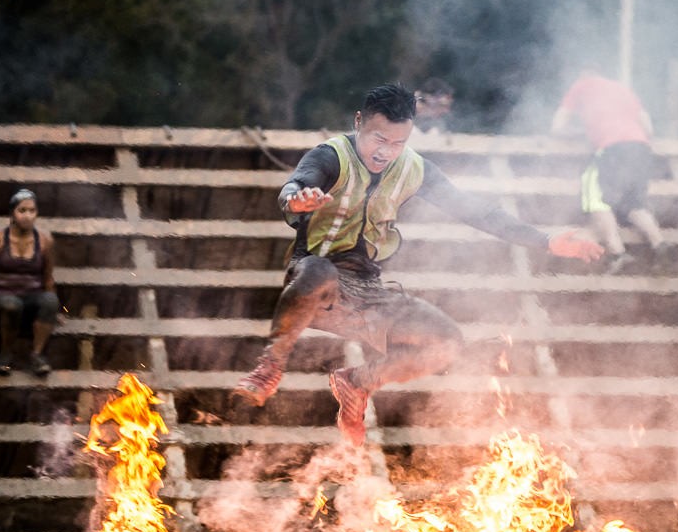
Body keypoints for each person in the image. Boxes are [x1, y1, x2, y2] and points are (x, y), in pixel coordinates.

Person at [232, 84, 603, 445]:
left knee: (446, 342)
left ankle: (357, 382)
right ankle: (270, 366)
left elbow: (477, 211)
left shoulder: (414, 168)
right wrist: (296, 200)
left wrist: (548, 240)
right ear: (359, 122)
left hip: (367, 290)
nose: (386, 152)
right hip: (315, 285)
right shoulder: (332, 156)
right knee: (317, 270)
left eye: (398, 143)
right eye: (379, 139)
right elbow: (295, 184)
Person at [551, 69, 661, 273]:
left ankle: (617, 253)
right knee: (633, 204)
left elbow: (557, 127)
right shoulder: (621, 89)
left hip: (612, 148)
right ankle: (659, 244)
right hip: (640, 148)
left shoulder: (582, 85)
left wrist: (579, 133)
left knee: (595, 198)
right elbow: (648, 127)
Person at [0, 188, 59, 376]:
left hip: (31, 298)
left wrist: (52, 308)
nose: (27, 216)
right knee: (12, 304)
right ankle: (5, 354)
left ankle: (37, 356)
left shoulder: (45, 241)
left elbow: (48, 277)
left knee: (50, 301)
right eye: (22, 211)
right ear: (12, 213)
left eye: (32, 211)